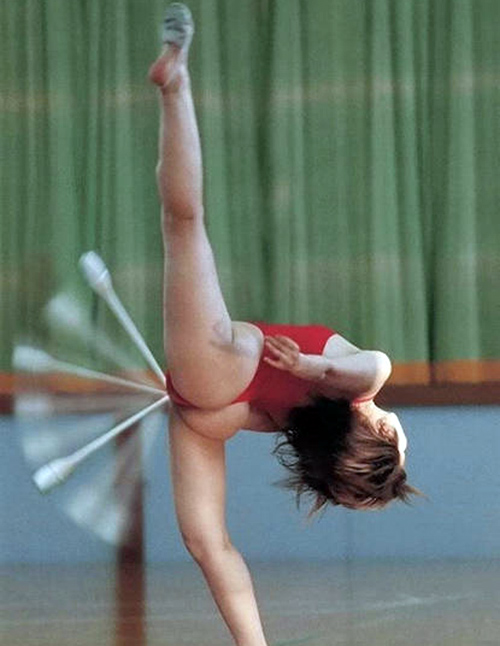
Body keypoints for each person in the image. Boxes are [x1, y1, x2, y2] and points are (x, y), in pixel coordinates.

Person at [149, 5, 417, 645]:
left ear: (374, 432)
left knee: (186, 225)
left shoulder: (360, 392)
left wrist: (311, 366)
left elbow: (372, 368)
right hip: (204, 408)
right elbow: (362, 383)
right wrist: (314, 374)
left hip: (225, 366)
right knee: (208, 543)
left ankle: (176, 86)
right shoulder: (337, 410)